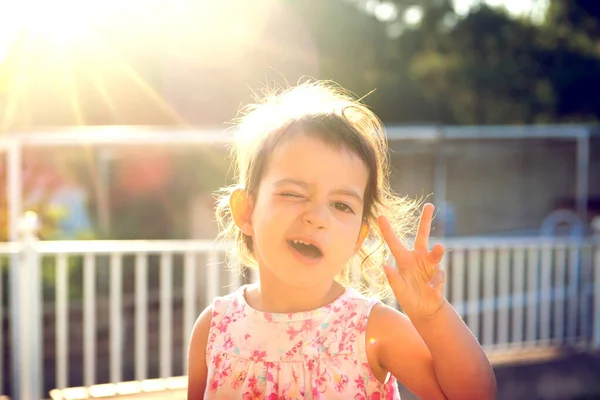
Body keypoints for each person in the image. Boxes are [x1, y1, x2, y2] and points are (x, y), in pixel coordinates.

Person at [187, 81, 497, 399]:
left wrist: (430, 316)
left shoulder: (372, 329)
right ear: (246, 211)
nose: (317, 217)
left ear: (358, 238)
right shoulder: (215, 327)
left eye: (341, 205)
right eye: (293, 193)